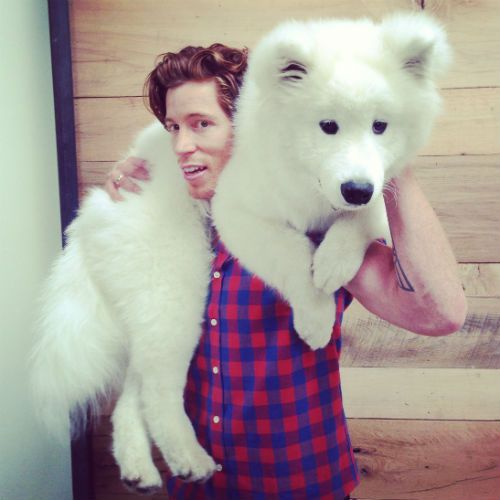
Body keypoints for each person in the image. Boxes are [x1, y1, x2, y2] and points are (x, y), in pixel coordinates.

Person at [104, 43, 467, 499]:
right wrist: (119, 212)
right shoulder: (171, 227)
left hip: (298, 485)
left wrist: (387, 150)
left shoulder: (319, 224)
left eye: (200, 124)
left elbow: (440, 314)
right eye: (173, 127)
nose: (180, 145)